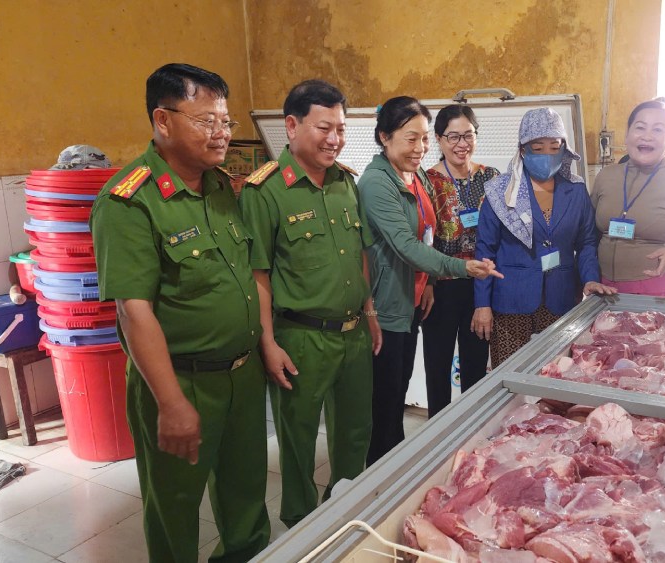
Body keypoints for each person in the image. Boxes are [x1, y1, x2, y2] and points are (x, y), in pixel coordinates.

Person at [90, 63, 269, 562]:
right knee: (175, 506)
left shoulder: (220, 187)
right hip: (179, 381)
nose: (222, 134)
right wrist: (171, 404)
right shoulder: (130, 202)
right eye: (206, 121)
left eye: (226, 122)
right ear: (162, 121)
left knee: (246, 497)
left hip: (242, 374)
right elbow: (134, 311)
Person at [239, 80, 379, 528]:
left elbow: (360, 254)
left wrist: (370, 313)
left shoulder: (345, 183)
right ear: (292, 126)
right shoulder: (265, 191)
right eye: (325, 128)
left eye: (341, 128)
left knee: (355, 431)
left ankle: (347, 513)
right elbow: (257, 275)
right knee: (297, 437)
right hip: (300, 337)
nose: (335, 139)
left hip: (353, 332)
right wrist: (267, 343)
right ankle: (302, 524)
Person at [359, 96, 502, 465]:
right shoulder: (382, 182)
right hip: (402, 298)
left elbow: (424, 232)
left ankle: (411, 459)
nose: (420, 147)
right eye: (414, 138)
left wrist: (433, 281)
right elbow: (408, 244)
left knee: (401, 387)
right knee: (392, 393)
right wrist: (457, 270)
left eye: (422, 138)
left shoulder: (417, 176)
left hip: (422, 292)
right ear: (384, 137)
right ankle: (386, 471)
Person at [473, 108, 616, 367]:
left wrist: (591, 279)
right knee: (510, 377)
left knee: (556, 373)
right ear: (523, 150)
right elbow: (485, 252)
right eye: (537, 148)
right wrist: (482, 304)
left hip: (561, 300)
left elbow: (586, 243)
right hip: (510, 302)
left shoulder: (576, 189)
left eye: (554, 147)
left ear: (564, 149)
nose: (547, 155)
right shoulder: (500, 192)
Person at [422, 105, 500, 418]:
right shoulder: (426, 180)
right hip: (440, 288)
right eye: (453, 136)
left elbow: (498, 238)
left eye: (468, 135)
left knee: (475, 367)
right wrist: (426, 282)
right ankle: (437, 438)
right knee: (437, 367)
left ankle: (470, 434)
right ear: (439, 140)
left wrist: (489, 293)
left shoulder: (491, 178)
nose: (461, 143)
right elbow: (422, 238)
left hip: (480, 287)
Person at [591, 100, 665, 298]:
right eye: (640, 127)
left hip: (656, 287)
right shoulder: (606, 176)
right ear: (628, 134)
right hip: (604, 287)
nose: (647, 136)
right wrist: (587, 275)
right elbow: (590, 233)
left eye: (658, 130)